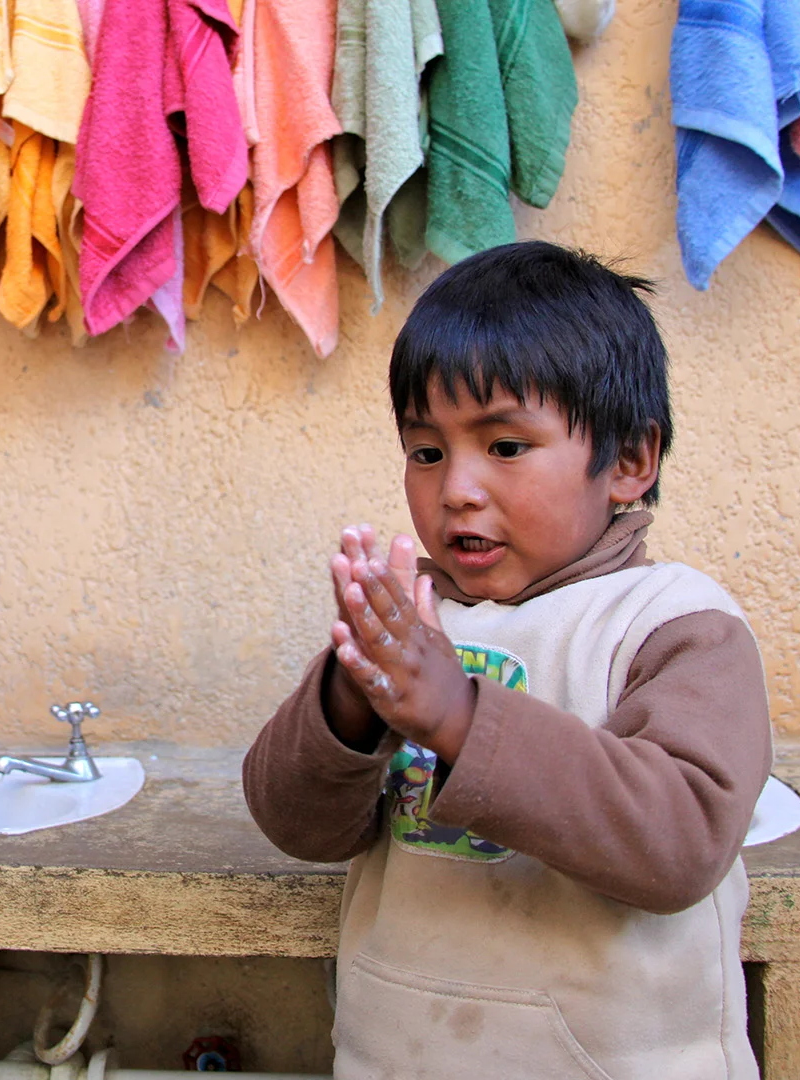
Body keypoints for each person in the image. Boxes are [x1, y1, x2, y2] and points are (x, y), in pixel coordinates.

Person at [243, 242, 771, 1079]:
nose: (457, 488)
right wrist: (352, 695)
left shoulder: (672, 624)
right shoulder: (417, 622)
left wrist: (457, 715)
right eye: (427, 451)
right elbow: (294, 823)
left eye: (507, 447)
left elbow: (681, 841)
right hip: (398, 1056)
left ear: (630, 461)